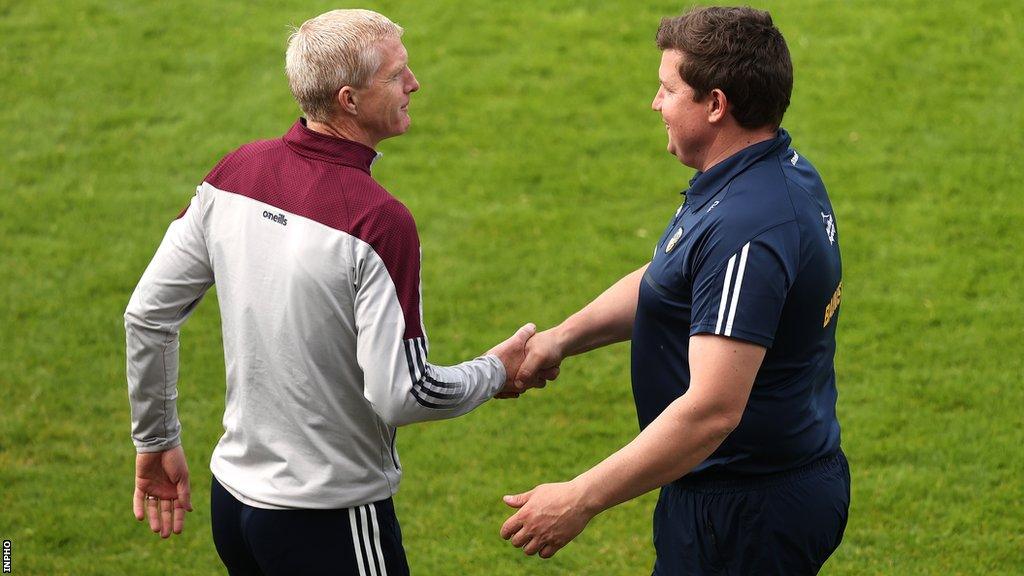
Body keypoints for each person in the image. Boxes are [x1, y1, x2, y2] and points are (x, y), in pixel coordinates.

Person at [125, 9, 538, 575]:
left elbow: (148, 316)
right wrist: (494, 371)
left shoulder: (233, 173)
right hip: (331, 521)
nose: (414, 84)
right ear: (349, 99)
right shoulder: (377, 221)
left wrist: (155, 440)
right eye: (397, 76)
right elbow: (402, 393)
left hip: (234, 508)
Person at [501, 6, 849, 574]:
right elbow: (673, 279)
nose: (655, 104)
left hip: (747, 514)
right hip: (739, 491)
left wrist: (580, 497)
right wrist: (560, 339)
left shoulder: (749, 229)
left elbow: (712, 410)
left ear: (715, 105)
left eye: (668, 90)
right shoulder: (767, 173)